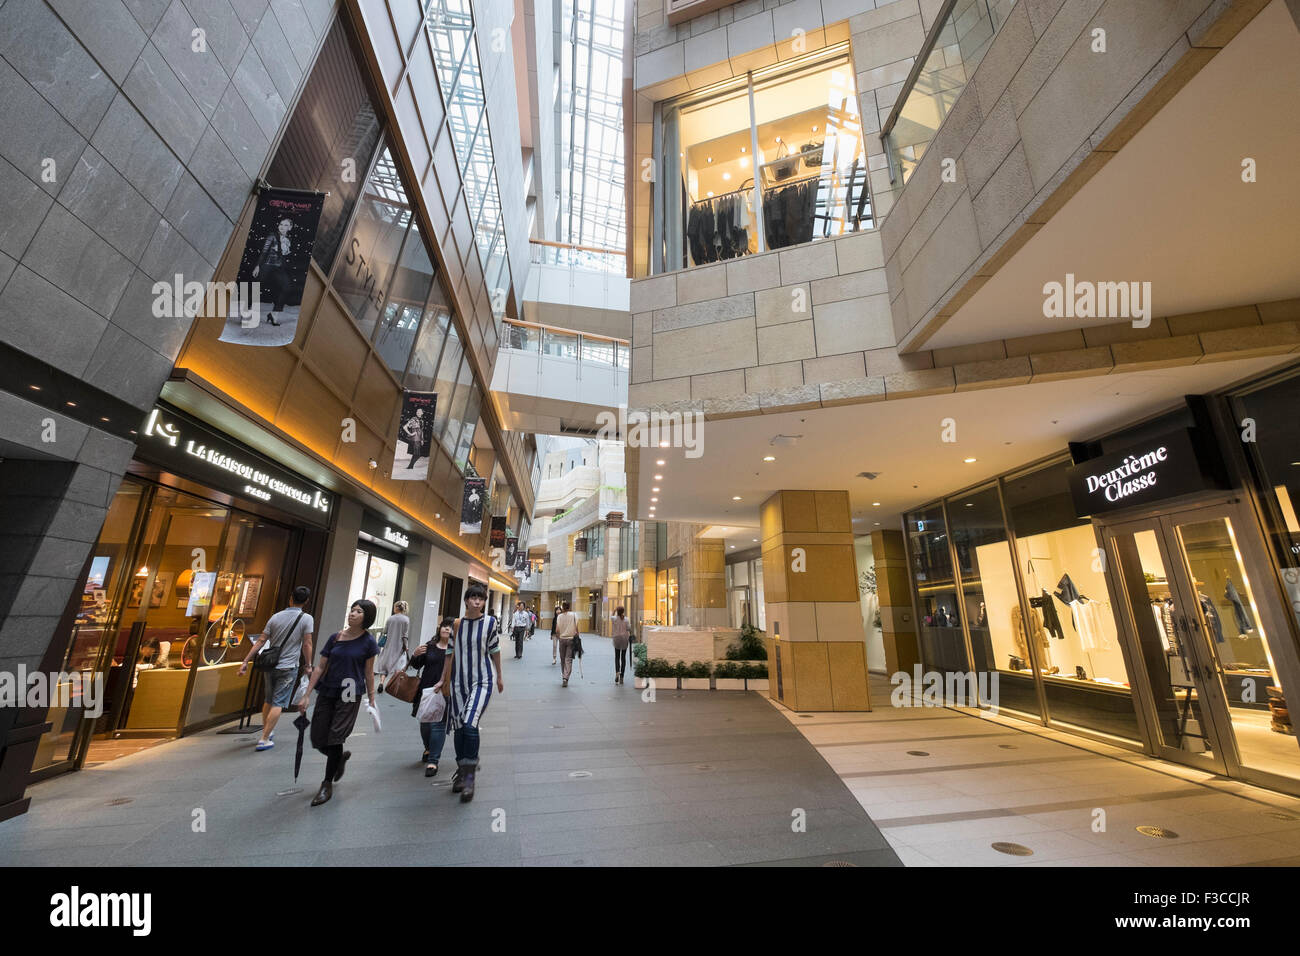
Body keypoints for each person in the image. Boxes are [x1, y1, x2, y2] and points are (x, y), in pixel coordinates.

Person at [297, 599, 378, 806]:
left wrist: (371, 697)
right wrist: (306, 695)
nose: (353, 614)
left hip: (350, 691)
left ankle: (326, 784)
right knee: (317, 737)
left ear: (366, 617)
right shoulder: (335, 638)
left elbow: (369, 672)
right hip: (328, 688)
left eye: (359, 611)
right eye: (352, 610)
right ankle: (339, 758)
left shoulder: (368, 642)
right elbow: (320, 667)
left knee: (335, 736)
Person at [432, 583, 502, 802]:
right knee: (460, 727)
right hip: (458, 682)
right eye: (472, 598)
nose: (476, 602)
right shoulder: (456, 624)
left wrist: (499, 676)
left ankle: (469, 777)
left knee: (470, 723)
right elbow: (449, 653)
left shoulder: (490, 623)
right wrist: (443, 678)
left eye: (480, 599)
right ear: (466, 600)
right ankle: (461, 771)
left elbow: (495, 650)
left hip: (482, 681)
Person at [238, 585, 314, 752]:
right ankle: (264, 738)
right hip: (288, 666)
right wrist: (308, 665)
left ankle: (268, 731)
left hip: (270, 665)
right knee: (278, 702)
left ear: (290, 598)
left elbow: (260, 641)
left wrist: (245, 660)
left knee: (269, 700)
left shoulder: (275, 617)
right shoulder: (306, 619)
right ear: (306, 601)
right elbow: (307, 644)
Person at [409, 618, 453, 777]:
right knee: (425, 724)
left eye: (450, 627)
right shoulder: (430, 646)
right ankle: (428, 747)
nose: (446, 629)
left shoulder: (456, 650)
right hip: (426, 690)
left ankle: (433, 761)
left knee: (438, 725)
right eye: (444, 626)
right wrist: (414, 655)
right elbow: (416, 665)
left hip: (445, 692)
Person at [251, 216, 294, 325]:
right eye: (281, 224)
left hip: (279, 267)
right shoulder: (272, 236)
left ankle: (274, 314)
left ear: (290, 227)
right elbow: (264, 251)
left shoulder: (288, 239)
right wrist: (257, 266)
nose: (282, 227)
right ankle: (250, 311)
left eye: (285, 225)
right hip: (267, 265)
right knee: (257, 286)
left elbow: (285, 254)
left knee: (287, 287)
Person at [375, 600, 409, 689]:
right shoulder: (406, 620)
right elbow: (405, 635)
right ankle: (393, 685)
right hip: (399, 646)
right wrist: (406, 646)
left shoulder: (390, 618)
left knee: (384, 666)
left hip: (388, 645)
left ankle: (381, 683)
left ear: (397, 608)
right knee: (398, 666)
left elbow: (385, 631)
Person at [553, 601, 580, 688]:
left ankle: (563, 676)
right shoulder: (574, 615)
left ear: (563, 608)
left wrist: (559, 636)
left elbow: (557, 630)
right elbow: (577, 629)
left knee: (562, 658)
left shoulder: (559, 616)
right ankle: (566, 677)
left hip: (562, 639)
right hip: (571, 639)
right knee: (568, 659)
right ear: (569, 607)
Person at [402, 407, 428, 472]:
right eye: (417, 411)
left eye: (419, 411)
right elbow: (405, 427)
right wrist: (411, 434)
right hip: (415, 438)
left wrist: (422, 439)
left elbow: (421, 431)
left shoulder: (422, 421)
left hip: (419, 438)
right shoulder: (413, 419)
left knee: (417, 454)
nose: (417, 412)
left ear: (422, 413)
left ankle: (410, 466)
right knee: (417, 454)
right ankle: (410, 467)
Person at [611, 605, 631, 685]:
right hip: (624, 639)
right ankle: (622, 676)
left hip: (616, 639)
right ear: (623, 611)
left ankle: (617, 672)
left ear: (617, 611)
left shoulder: (614, 619)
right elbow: (629, 628)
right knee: (623, 658)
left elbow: (612, 615)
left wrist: (614, 610)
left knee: (617, 657)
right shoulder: (626, 619)